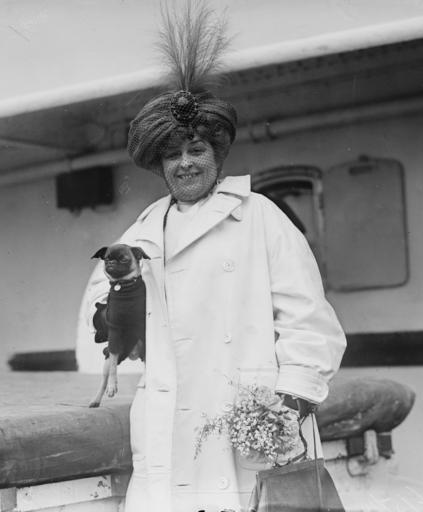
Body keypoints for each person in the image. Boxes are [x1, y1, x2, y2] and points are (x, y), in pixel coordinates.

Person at [82, 4, 346, 511]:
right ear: (159, 164)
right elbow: (107, 314)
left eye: (196, 150)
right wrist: (111, 318)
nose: (185, 163)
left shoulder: (260, 216)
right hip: (168, 427)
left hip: (247, 420)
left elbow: (312, 325)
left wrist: (288, 404)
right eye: (173, 154)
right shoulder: (141, 231)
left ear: (217, 154)